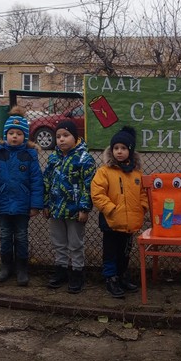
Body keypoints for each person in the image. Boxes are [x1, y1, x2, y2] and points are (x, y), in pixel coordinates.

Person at [0, 106, 44, 286]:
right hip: (3, 205)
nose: (14, 137)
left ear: (25, 136)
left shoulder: (29, 156)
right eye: (11, 133)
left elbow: (36, 182)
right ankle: (6, 266)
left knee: (21, 237)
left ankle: (22, 268)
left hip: (22, 206)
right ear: (5, 135)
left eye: (18, 133)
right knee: (5, 236)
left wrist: (35, 205)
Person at [90, 125, 148, 298]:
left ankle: (122, 275)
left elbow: (144, 194)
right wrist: (110, 209)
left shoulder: (137, 174)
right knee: (110, 252)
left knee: (125, 252)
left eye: (123, 148)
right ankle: (111, 278)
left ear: (130, 150)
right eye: (116, 148)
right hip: (111, 221)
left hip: (130, 222)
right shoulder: (104, 172)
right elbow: (97, 193)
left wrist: (142, 208)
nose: (119, 151)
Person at [42, 119, 96, 294]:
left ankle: (77, 272)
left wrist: (84, 208)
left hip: (75, 211)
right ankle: (61, 269)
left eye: (66, 135)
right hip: (56, 208)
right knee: (59, 241)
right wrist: (46, 204)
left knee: (75, 243)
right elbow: (46, 181)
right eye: (58, 136)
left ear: (76, 137)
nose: (61, 139)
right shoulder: (53, 158)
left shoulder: (84, 159)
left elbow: (89, 186)